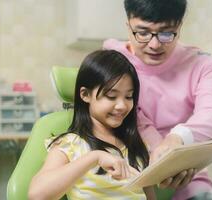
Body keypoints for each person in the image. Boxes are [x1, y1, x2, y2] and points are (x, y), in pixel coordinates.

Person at [103, 0, 212, 199]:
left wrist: (176, 142)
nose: (154, 45)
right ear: (128, 26)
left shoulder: (202, 63)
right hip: (128, 169)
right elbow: (133, 119)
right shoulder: (112, 61)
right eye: (142, 32)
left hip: (185, 172)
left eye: (166, 33)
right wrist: (161, 155)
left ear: (179, 26)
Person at [28, 50, 156, 200]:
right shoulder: (71, 145)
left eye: (129, 96)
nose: (122, 105)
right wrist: (94, 157)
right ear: (85, 95)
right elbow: (37, 195)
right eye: (111, 96)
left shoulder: (137, 147)